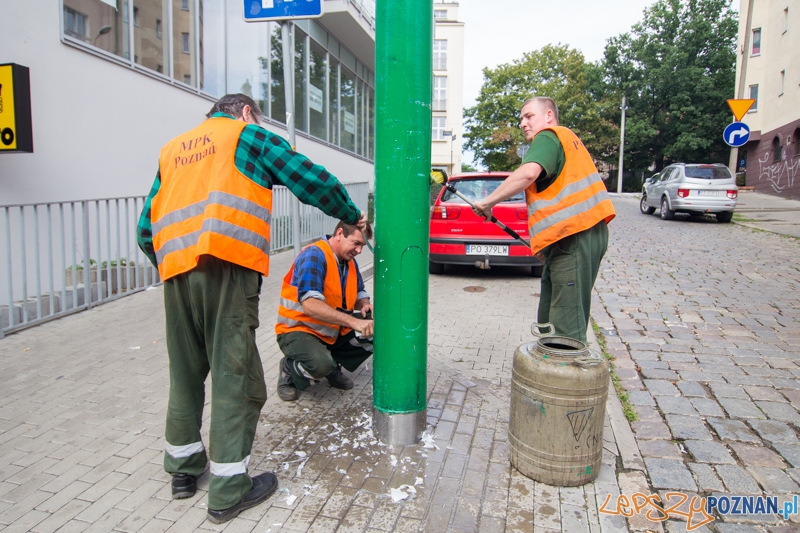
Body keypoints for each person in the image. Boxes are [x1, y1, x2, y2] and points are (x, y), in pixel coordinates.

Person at [136, 94, 366, 524]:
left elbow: (145, 231)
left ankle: (184, 470)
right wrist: (350, 213)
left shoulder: (172, 151)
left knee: (184, 371)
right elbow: (308, 178)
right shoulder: (245, 135)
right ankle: (228, 490)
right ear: (245, 113)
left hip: (176, 273)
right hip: (226, 267)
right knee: (235, 375)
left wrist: (173, 265)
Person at [472, 97, 616, 343]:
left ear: (549, 115)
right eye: (521, 119)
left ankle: (564, 360)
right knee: (551, 315)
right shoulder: (565, 141)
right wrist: (547, 246)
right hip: (574, 234)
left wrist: (487, 203)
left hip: (577, 234)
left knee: (565, 327)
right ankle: (551, 354)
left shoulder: (548, 136)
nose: (522, 123)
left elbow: (528, 173)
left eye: (529, 116)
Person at [274, 221, 375, 402]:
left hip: (330, 329)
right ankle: (290, 370)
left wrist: (365, 304)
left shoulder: (349, 261)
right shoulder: (314, 256)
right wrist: (355, 322)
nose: (359, 251)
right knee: (320, 365)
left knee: (378, 328)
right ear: (340, 233)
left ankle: (332, 364)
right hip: (299, 330)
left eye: (362, 246)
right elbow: (310, 304)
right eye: (356, 243)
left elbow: (359, 290)